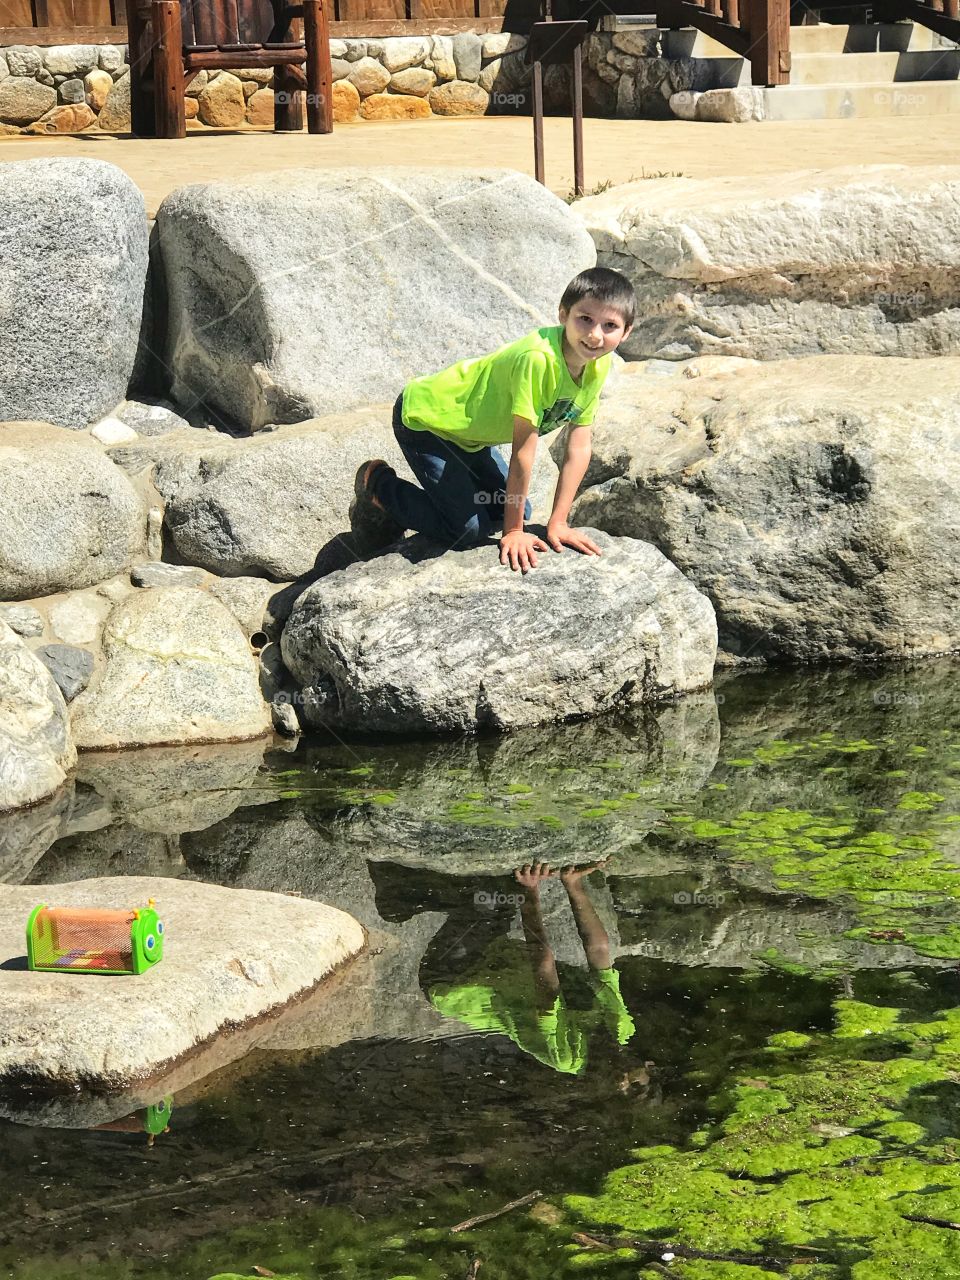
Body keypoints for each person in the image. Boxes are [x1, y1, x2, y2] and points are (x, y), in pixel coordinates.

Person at [351, 266, 636, 573]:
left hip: (471, 438)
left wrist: (559, 522)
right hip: (429, 421)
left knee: (512, 509)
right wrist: (513, 533)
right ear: (563, 314)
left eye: (609, 325)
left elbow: (579, 448)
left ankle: (458, 494)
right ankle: (378, 485)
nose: (595, 335)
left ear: (626, 332)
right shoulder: (538, 360)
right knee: (468, 531)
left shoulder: (597, 365)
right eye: (585, 319)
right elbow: (523, 453)